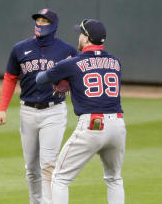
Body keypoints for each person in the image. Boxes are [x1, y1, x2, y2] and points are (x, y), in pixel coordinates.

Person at [36, 19, 126, 204]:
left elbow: (40, 79)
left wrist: (61, 69)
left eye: (80, 33)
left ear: (86, 38)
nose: (78, 36)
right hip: (118, 125)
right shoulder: (115, 62)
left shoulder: (72, 64)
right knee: (114, 178)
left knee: (60, 178)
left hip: (93, 125)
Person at [0, 9, 77, 204]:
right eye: (38, 19)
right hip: (27, 111)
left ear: (54, 25)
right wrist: (2, 108)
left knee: (47, 165)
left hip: (54, 112)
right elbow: (10, 78)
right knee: (31, 168)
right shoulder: (20, 49)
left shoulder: (67, 51)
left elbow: (78, 80)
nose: (40, 23)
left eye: (44, 21)